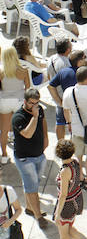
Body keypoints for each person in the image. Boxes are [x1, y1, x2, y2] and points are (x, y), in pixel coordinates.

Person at [12, 88, 48, 228]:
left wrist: (45, 137)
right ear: (25, 101)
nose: (35, 106)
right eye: (32, 103)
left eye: (37, 103)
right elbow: (27, 133)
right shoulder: (18, 117)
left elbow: (43, 122)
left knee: (34, 183)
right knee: (32, 187)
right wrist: (34, 116)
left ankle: (29, 207)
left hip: (39, 155)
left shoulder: (39, 110)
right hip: (25, 159)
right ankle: (39, 216)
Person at [0, 46, 29, 162]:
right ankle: (21, 154)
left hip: (4, 102)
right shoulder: (23, 70)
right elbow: (28, 88)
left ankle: (4, 156)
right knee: (20, 130)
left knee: (4, 130)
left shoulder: (1, 71)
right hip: (19, 101)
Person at [53, 139, 85, 239]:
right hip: (77, 198)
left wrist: (57, 213)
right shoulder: (75, 162)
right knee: (69, 228)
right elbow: (80, 177)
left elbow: (63, 194)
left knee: (64, 236)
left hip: (67, 204)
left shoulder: (65, 171)